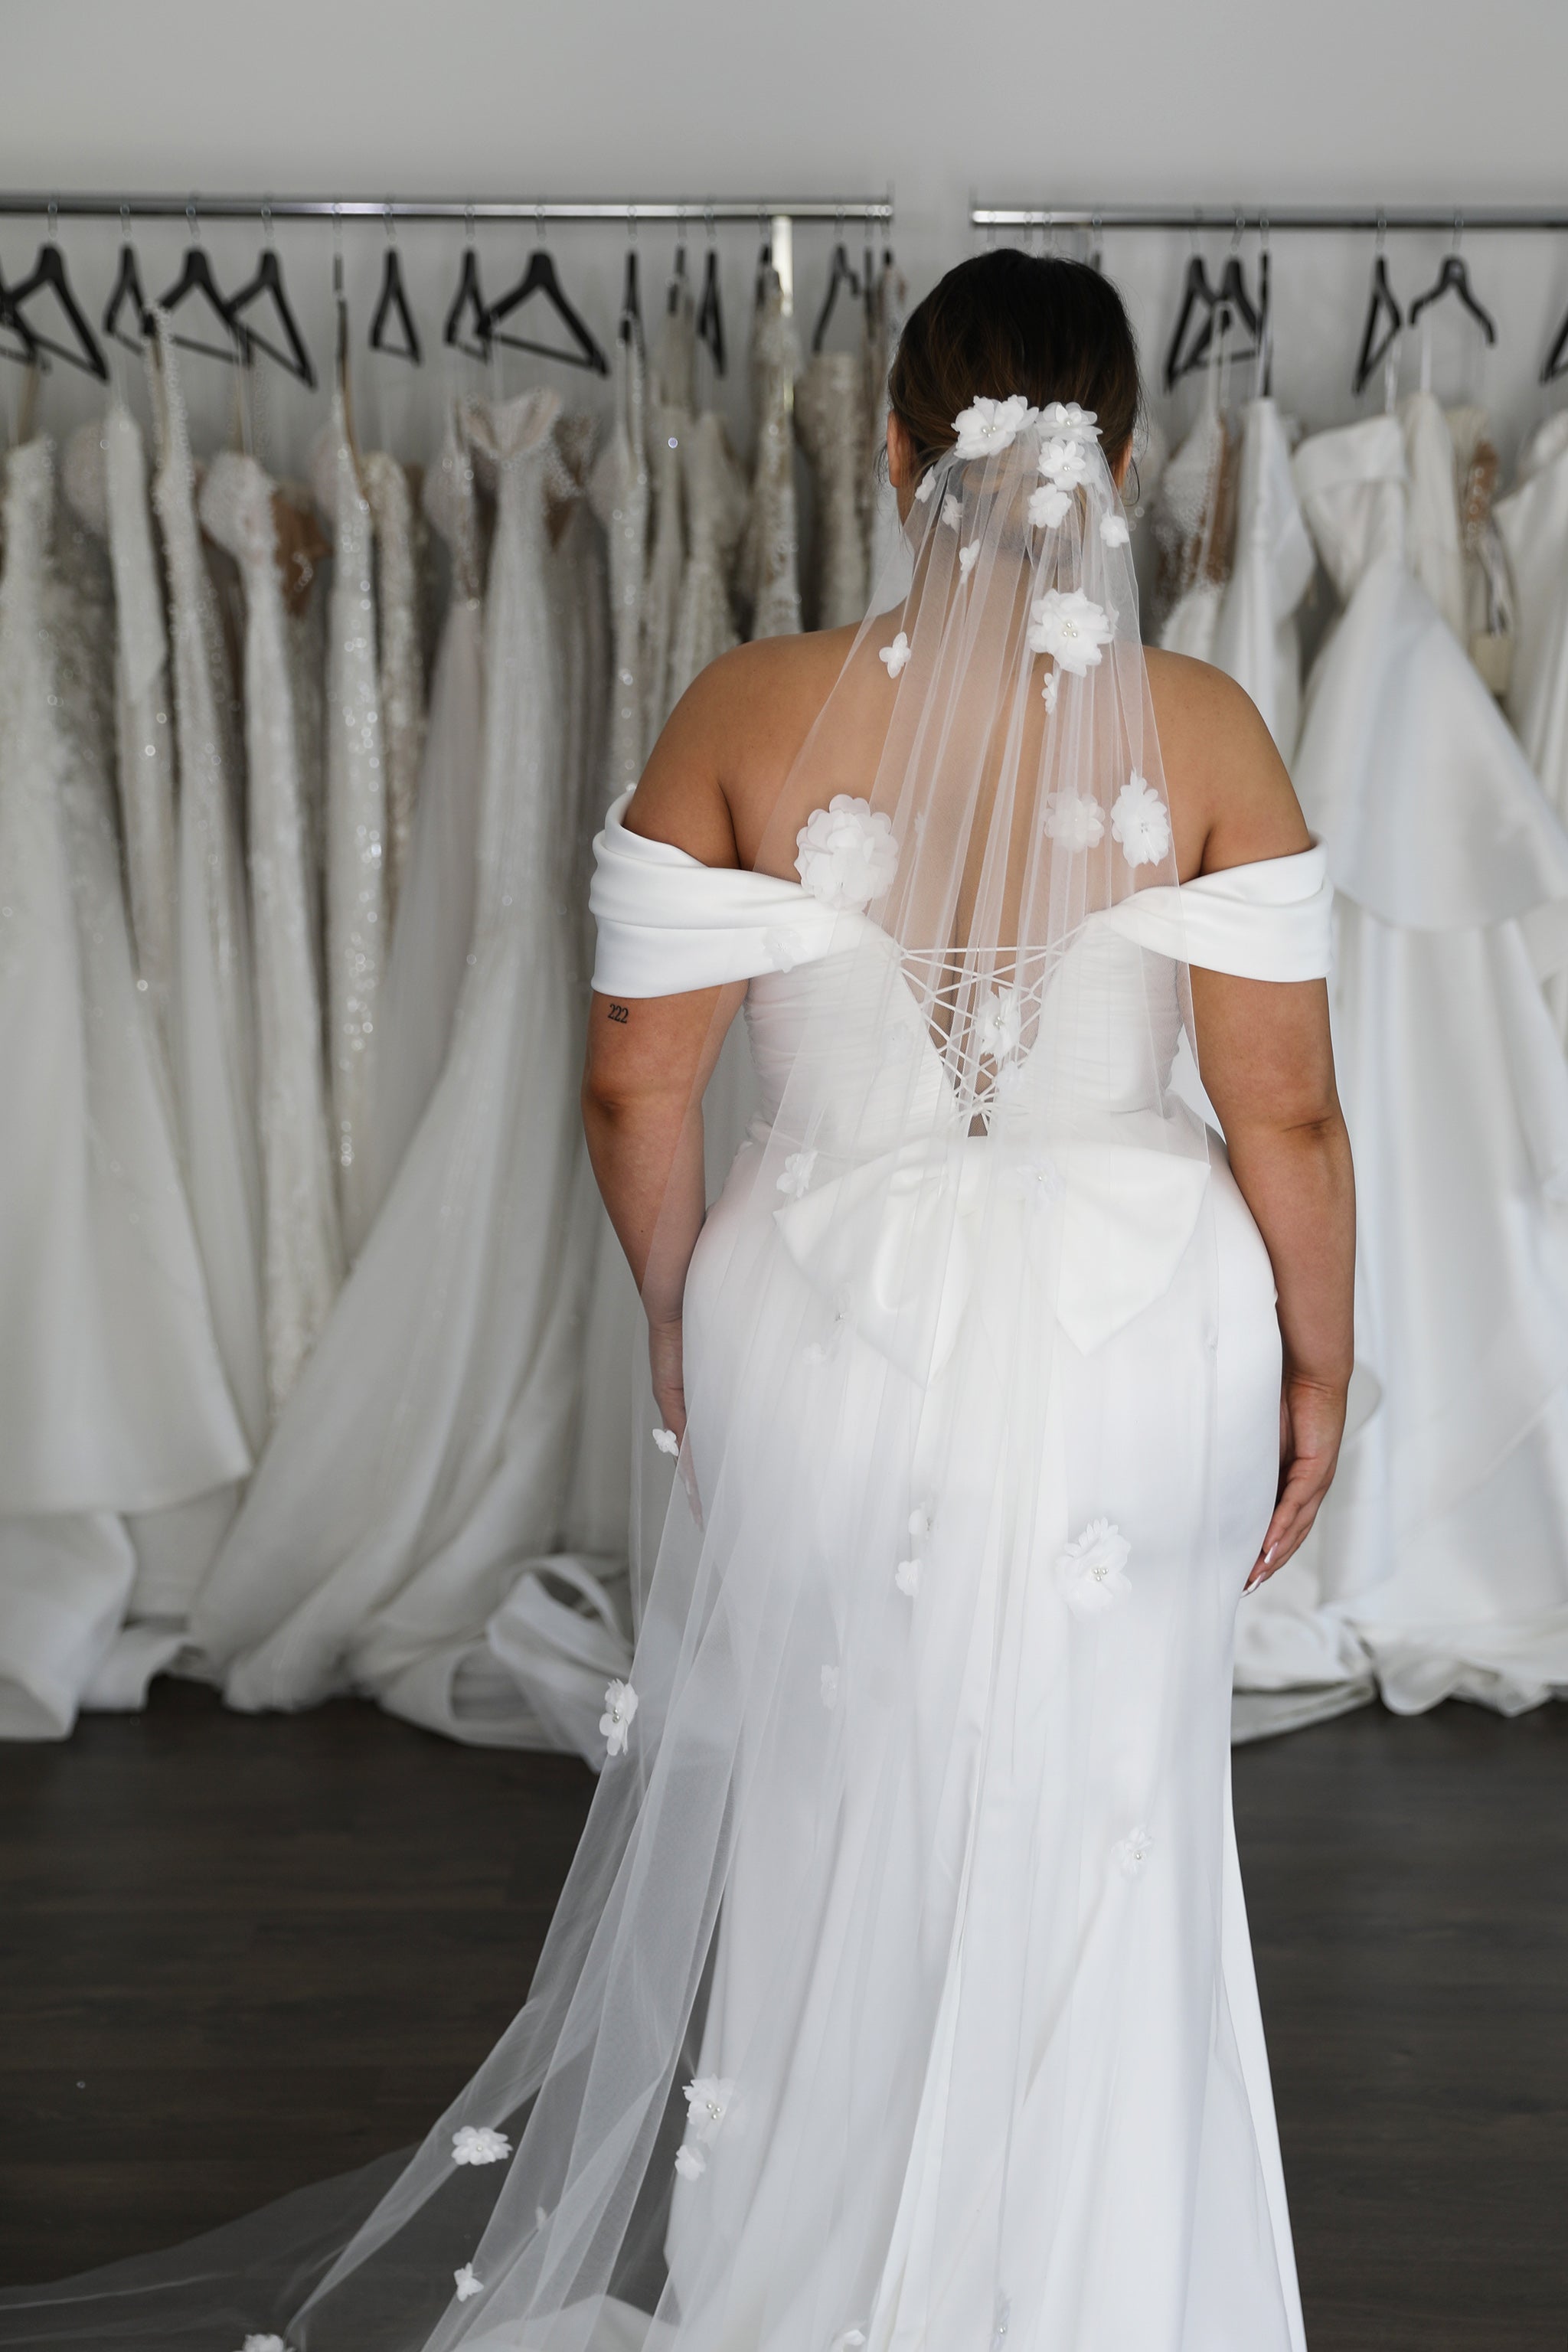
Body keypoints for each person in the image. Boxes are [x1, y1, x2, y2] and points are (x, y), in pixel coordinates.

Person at [0, 252, 1352, 2352]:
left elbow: (639, 1070)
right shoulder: (1205, 730)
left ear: (895, 448)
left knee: (829, 1793)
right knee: (1119, 1801)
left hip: (825, 1311)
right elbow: (1289, 1121)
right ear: (1118, 456)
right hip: (1138, 1333)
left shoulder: (746, 708)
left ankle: (817, 2277)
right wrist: (1322, 1367)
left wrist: (674, 1297)